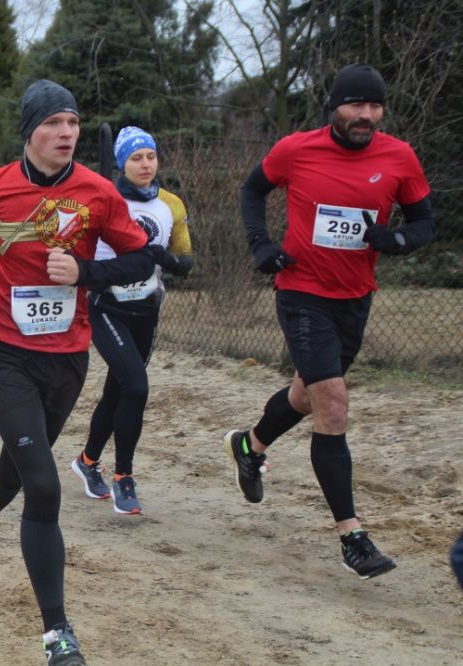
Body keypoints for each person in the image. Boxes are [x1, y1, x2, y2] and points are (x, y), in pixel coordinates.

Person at [0, 79, 154, 666]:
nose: (67, 132)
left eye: (73, 122)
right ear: (30, 131)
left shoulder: (98, 193)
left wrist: (85, 274)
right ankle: (57, 634)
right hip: (0, 351)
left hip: (66, 357)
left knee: (19, 465)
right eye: (54, 123)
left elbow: (140, 258)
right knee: (44, 485)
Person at [225, 64, 435, 580]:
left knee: (306, 396)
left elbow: (425, 222)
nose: (366, 115)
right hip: (301, 292)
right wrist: (261, 245)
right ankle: (352, 537)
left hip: (355, 298)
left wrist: (398, 240)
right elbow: (253, 192)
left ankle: (249, 446)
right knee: (333, 405)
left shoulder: (399, 156)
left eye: (375, 106)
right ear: (334, 107)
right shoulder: (296, 149)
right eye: (356, 105)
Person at [70, 127, 194, 515]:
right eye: (136, 158)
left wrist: (163, 259)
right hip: (107, 308)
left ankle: (87, 462)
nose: (145, 164)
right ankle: (124, 476)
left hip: (147, 311)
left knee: (119, 390)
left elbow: (186, 262)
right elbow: (81, 255)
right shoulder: (105, 199)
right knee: (136, 387)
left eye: (150, 157)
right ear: (122, 163)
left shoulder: (170, 204)